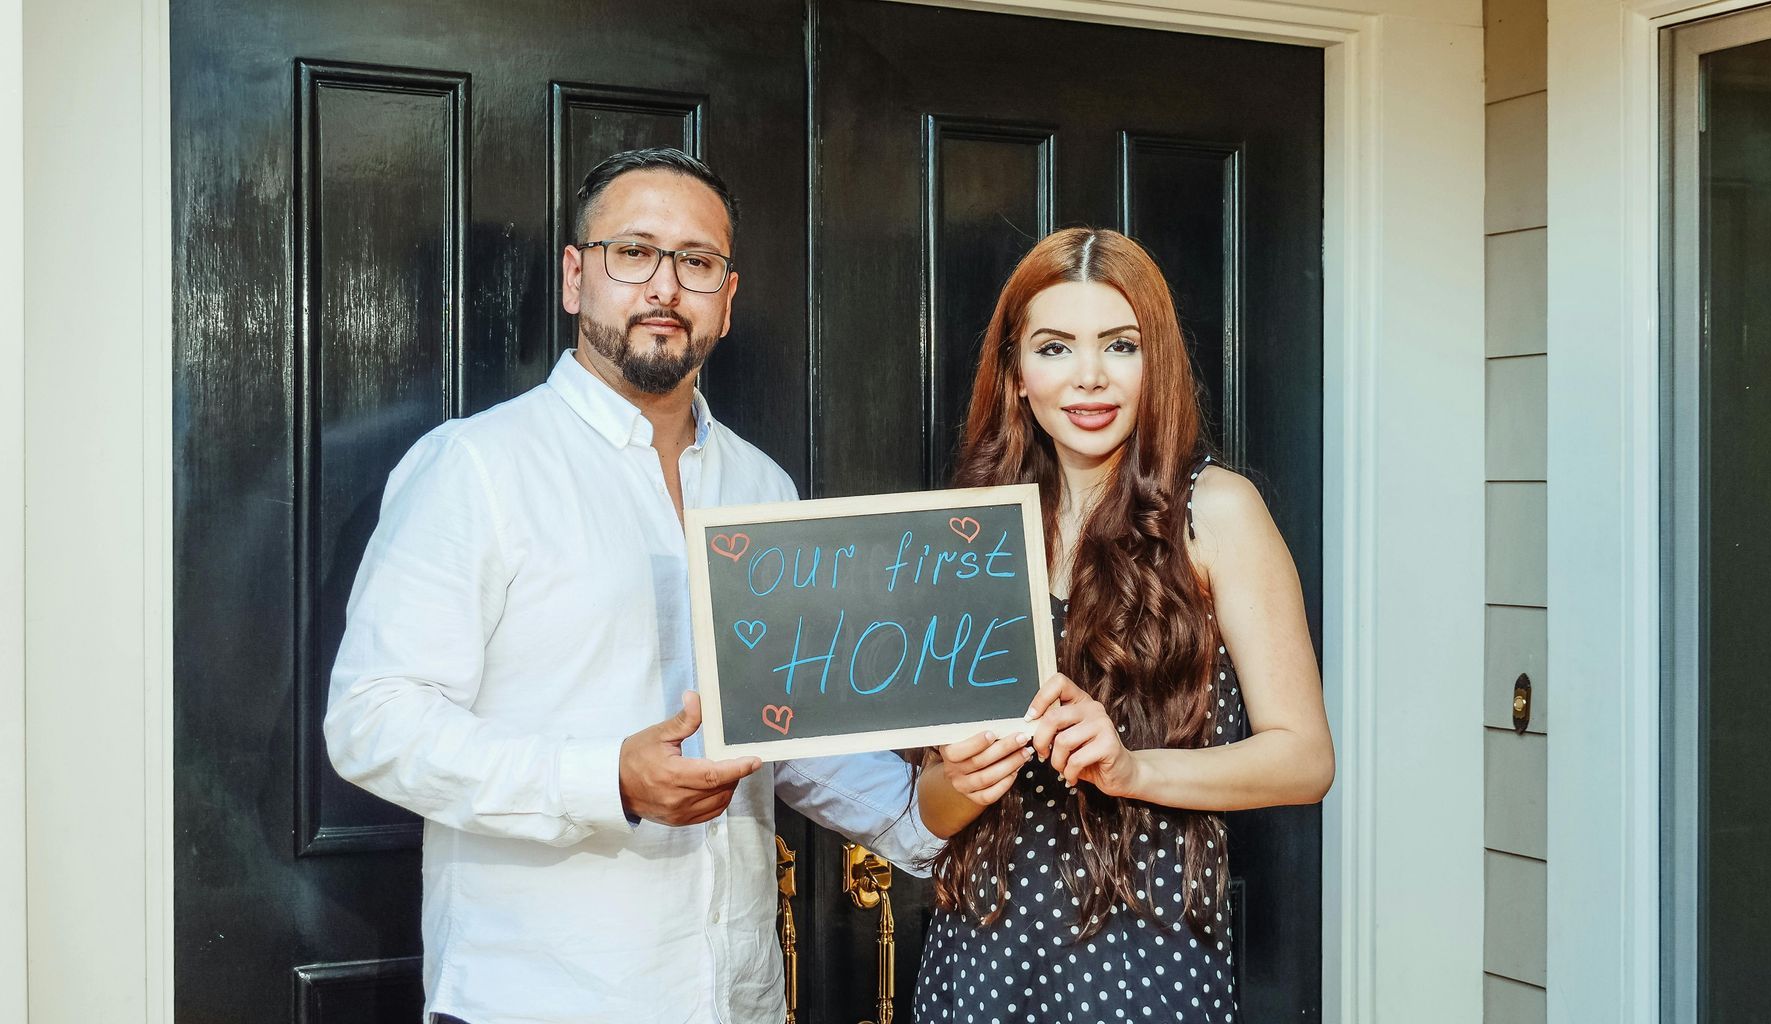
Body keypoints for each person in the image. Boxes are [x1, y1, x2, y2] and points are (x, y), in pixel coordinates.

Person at [324, 148, 939, 1024]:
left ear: (726, 300)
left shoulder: (762, 487)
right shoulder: (478, 467)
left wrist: (924, 818)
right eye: (634, 252)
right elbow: (371, 722)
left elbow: (786, 724)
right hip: (540, 998)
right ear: (577, 278)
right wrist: (605, 779)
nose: (665, 286)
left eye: (696, 262)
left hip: (739, 997)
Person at [911, 228, 1335, 1023]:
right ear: (1015, 373)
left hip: (1145, 966)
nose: (1090, 377)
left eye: (1120, 344)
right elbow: (933, 810)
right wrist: (964, 779)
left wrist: (1132, 770)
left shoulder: (1216, 510)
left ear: (1157, 363)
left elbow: (1305, 760)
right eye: (1055, 347)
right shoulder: (969, 533)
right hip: (978, 962)